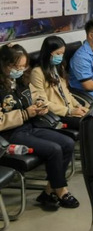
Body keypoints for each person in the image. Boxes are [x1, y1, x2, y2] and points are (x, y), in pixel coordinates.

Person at [0, 44, 79, 210]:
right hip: (9, 134)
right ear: (4, 64)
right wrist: (24, 114)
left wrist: (40, 104)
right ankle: (61, 190)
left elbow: (35, 95)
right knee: (54, 149)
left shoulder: (21, 79)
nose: (20, 70)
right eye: (16, 67)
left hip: (30, 125)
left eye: (23, 66)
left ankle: (49, 191)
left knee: (68, 143)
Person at [29, 36, 89, 130]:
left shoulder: (58, 67)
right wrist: (69, 111)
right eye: (58, 53)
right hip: (57, 114)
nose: (60, 56)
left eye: (62, 53)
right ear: (48, 53)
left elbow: (66, 93)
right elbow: (42, 102)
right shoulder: (37, 73)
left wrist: (79, 106)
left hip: (70, 109)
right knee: (88, 123)